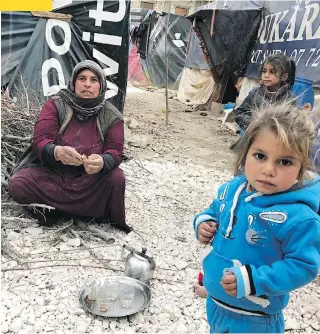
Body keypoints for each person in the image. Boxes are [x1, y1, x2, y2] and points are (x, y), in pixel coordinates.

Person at [193, 103, 320, 333]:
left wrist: (254, 280)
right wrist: (203, 222)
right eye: (260, 156)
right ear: (246, 154)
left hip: (256, 320)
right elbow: (214, 210)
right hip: (216, 305)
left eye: (285, 162)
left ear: (301, 168)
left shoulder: (300, 217)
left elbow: (304, 266)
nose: (269, 169)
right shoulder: (232, 189)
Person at [9, 60, 132, 233]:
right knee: (18, 183)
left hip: (88, 181)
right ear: (73, 83)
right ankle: (86, 212)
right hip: (54, 175)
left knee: (116, 178)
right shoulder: (55, 105)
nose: (87, 84)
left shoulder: (111, 116)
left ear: (101, 86)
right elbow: (40, 140)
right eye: (82, 78)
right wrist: (56, 152)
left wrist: (102, 161)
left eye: (94, 80)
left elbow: (116, 152)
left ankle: (56, 210)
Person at [235, 53, 296, 131]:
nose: (266, 75)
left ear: (284, 77)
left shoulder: (289, 99)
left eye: (272, 72)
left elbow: (290, 124)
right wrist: (253, 124)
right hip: (252, 136)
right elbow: (240, 113)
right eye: (264, 71)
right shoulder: (255, 93)